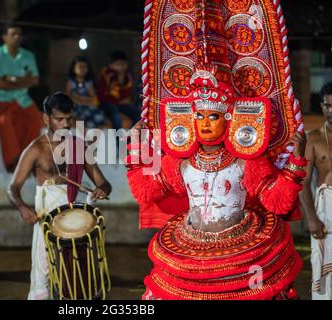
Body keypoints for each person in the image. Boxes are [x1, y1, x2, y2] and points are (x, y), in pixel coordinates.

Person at [125, 0, 308, 300]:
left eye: (213, 117)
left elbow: (276, 201)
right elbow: (146, 191)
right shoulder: (180, 162)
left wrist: (295, 163)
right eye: (199, 116)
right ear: (189, 118)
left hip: (242, 249)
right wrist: (135, 148)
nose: (205, 124)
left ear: (229, 118)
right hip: (190, 247)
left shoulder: (245, 160)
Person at [7, 92, 111, 300]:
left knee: (79, 273)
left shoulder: (79, 146)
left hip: (75, 216)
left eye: (69, 119)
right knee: (43, 272)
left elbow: (103, 182)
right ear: (46, 118)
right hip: (47, 217)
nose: (65, 124)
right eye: (59, 119)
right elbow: (13, 188)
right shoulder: (36, 149)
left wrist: (102, 190)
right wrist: (22, 207)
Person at [0, 24, 44, 172]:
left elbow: (35, 80)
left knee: (36, 120)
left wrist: (11, 79)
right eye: (13, 34)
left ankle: (27, 157)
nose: (17, 37)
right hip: (0, 98)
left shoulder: (28, 55)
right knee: (5, 121)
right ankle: (12, 161)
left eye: (19, 34)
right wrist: (22, 81)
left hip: (22, 98)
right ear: (4, 37)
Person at [300, 82, 332, 299]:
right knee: (322, 272)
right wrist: (311, 217)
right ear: (322, 106)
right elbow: (303, 182)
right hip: (325, 209)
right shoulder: (314, 138)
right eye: (328, 105)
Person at [97, 50, 141, 130]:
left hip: (121, 104)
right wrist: (118, 101)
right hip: (107, 103)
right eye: (117, 64)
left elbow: (127, 95)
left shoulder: (128, 76)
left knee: (138, 114)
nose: (121, 67)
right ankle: (118, 141)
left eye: (123, 64)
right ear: (111, 65)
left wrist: (121, 78)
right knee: (116, 116)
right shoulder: (105, 74)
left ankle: (130, 137)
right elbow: (101, 96)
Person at [65, 56, 105, 128]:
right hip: (75, 106)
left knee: (98, 115)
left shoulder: (88, 82)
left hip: (86, 105)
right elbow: (68, 96)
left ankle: (90, 132)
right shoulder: (71, 81)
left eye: (85, 67)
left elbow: (93, 96)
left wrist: (81, 99)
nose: (82, 69)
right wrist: (77, 99)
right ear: (74, 68)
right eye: (80, 66)